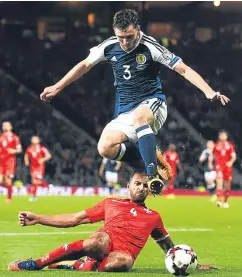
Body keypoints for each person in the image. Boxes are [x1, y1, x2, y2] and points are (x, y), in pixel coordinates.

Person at [40, 9, 229, 195]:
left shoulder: (150, 46)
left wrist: (209, 91)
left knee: (140, 118)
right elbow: (85, 65)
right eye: (120, 37)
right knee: (104, 147)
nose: (124, 42)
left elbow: (184, 69)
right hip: (124, 111)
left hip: (152, 104)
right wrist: (57, 87)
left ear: (137, 29)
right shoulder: (109, 45)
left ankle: (153, 174)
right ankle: (148, 155)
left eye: (129, 37)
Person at [9, 170, 217, 272]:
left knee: (123, 263)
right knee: (96, 241)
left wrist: (195, 264)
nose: (141, 188)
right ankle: (38, 263)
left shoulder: (154, 217)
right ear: (128, 185)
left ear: (150, 190)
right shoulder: (111, 203)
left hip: (122, 254)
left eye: (145, 186)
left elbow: (169, 249)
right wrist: (38, 219)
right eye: (137, 184)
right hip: (103, 242)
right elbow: (74, 219)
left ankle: (79, 266)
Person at [0, 121, 22, 204]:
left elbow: (19, 150)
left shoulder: (15, 137)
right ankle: (11, 188)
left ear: (10, 127)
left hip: (10, 162)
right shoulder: (1, 137)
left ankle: (9, 198)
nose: (4, 126)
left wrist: (13, 150)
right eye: (3, 125)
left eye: (6, 125)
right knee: (1, 180)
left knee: (8, 180)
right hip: (1, 161)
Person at [24, 136, 52, 202]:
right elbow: (26, 155)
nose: (34, 140)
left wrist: (42, 159)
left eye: (35, 139)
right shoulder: (30, 148)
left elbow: (49, 155)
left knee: (36, 181)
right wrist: (26, 161)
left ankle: (34, 196)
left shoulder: (42, 148)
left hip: (39, 166)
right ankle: (47, 186)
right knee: (35, 182)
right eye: (33, 139)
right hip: (33, 166)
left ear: (38, 140)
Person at [213, 130, 236, 208]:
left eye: (224, 135)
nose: (222, 137)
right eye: (221, 135)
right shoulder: (216, 145)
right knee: (219, 183)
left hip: (228, 167)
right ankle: (219, 200)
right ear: (219, 137)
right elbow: (212, 155)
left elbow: (233, 156)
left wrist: (231, 162)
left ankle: (225, 201)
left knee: (227, 186)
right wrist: (211, 162)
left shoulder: (230, 146)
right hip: (219, 167)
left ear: (226, 137)